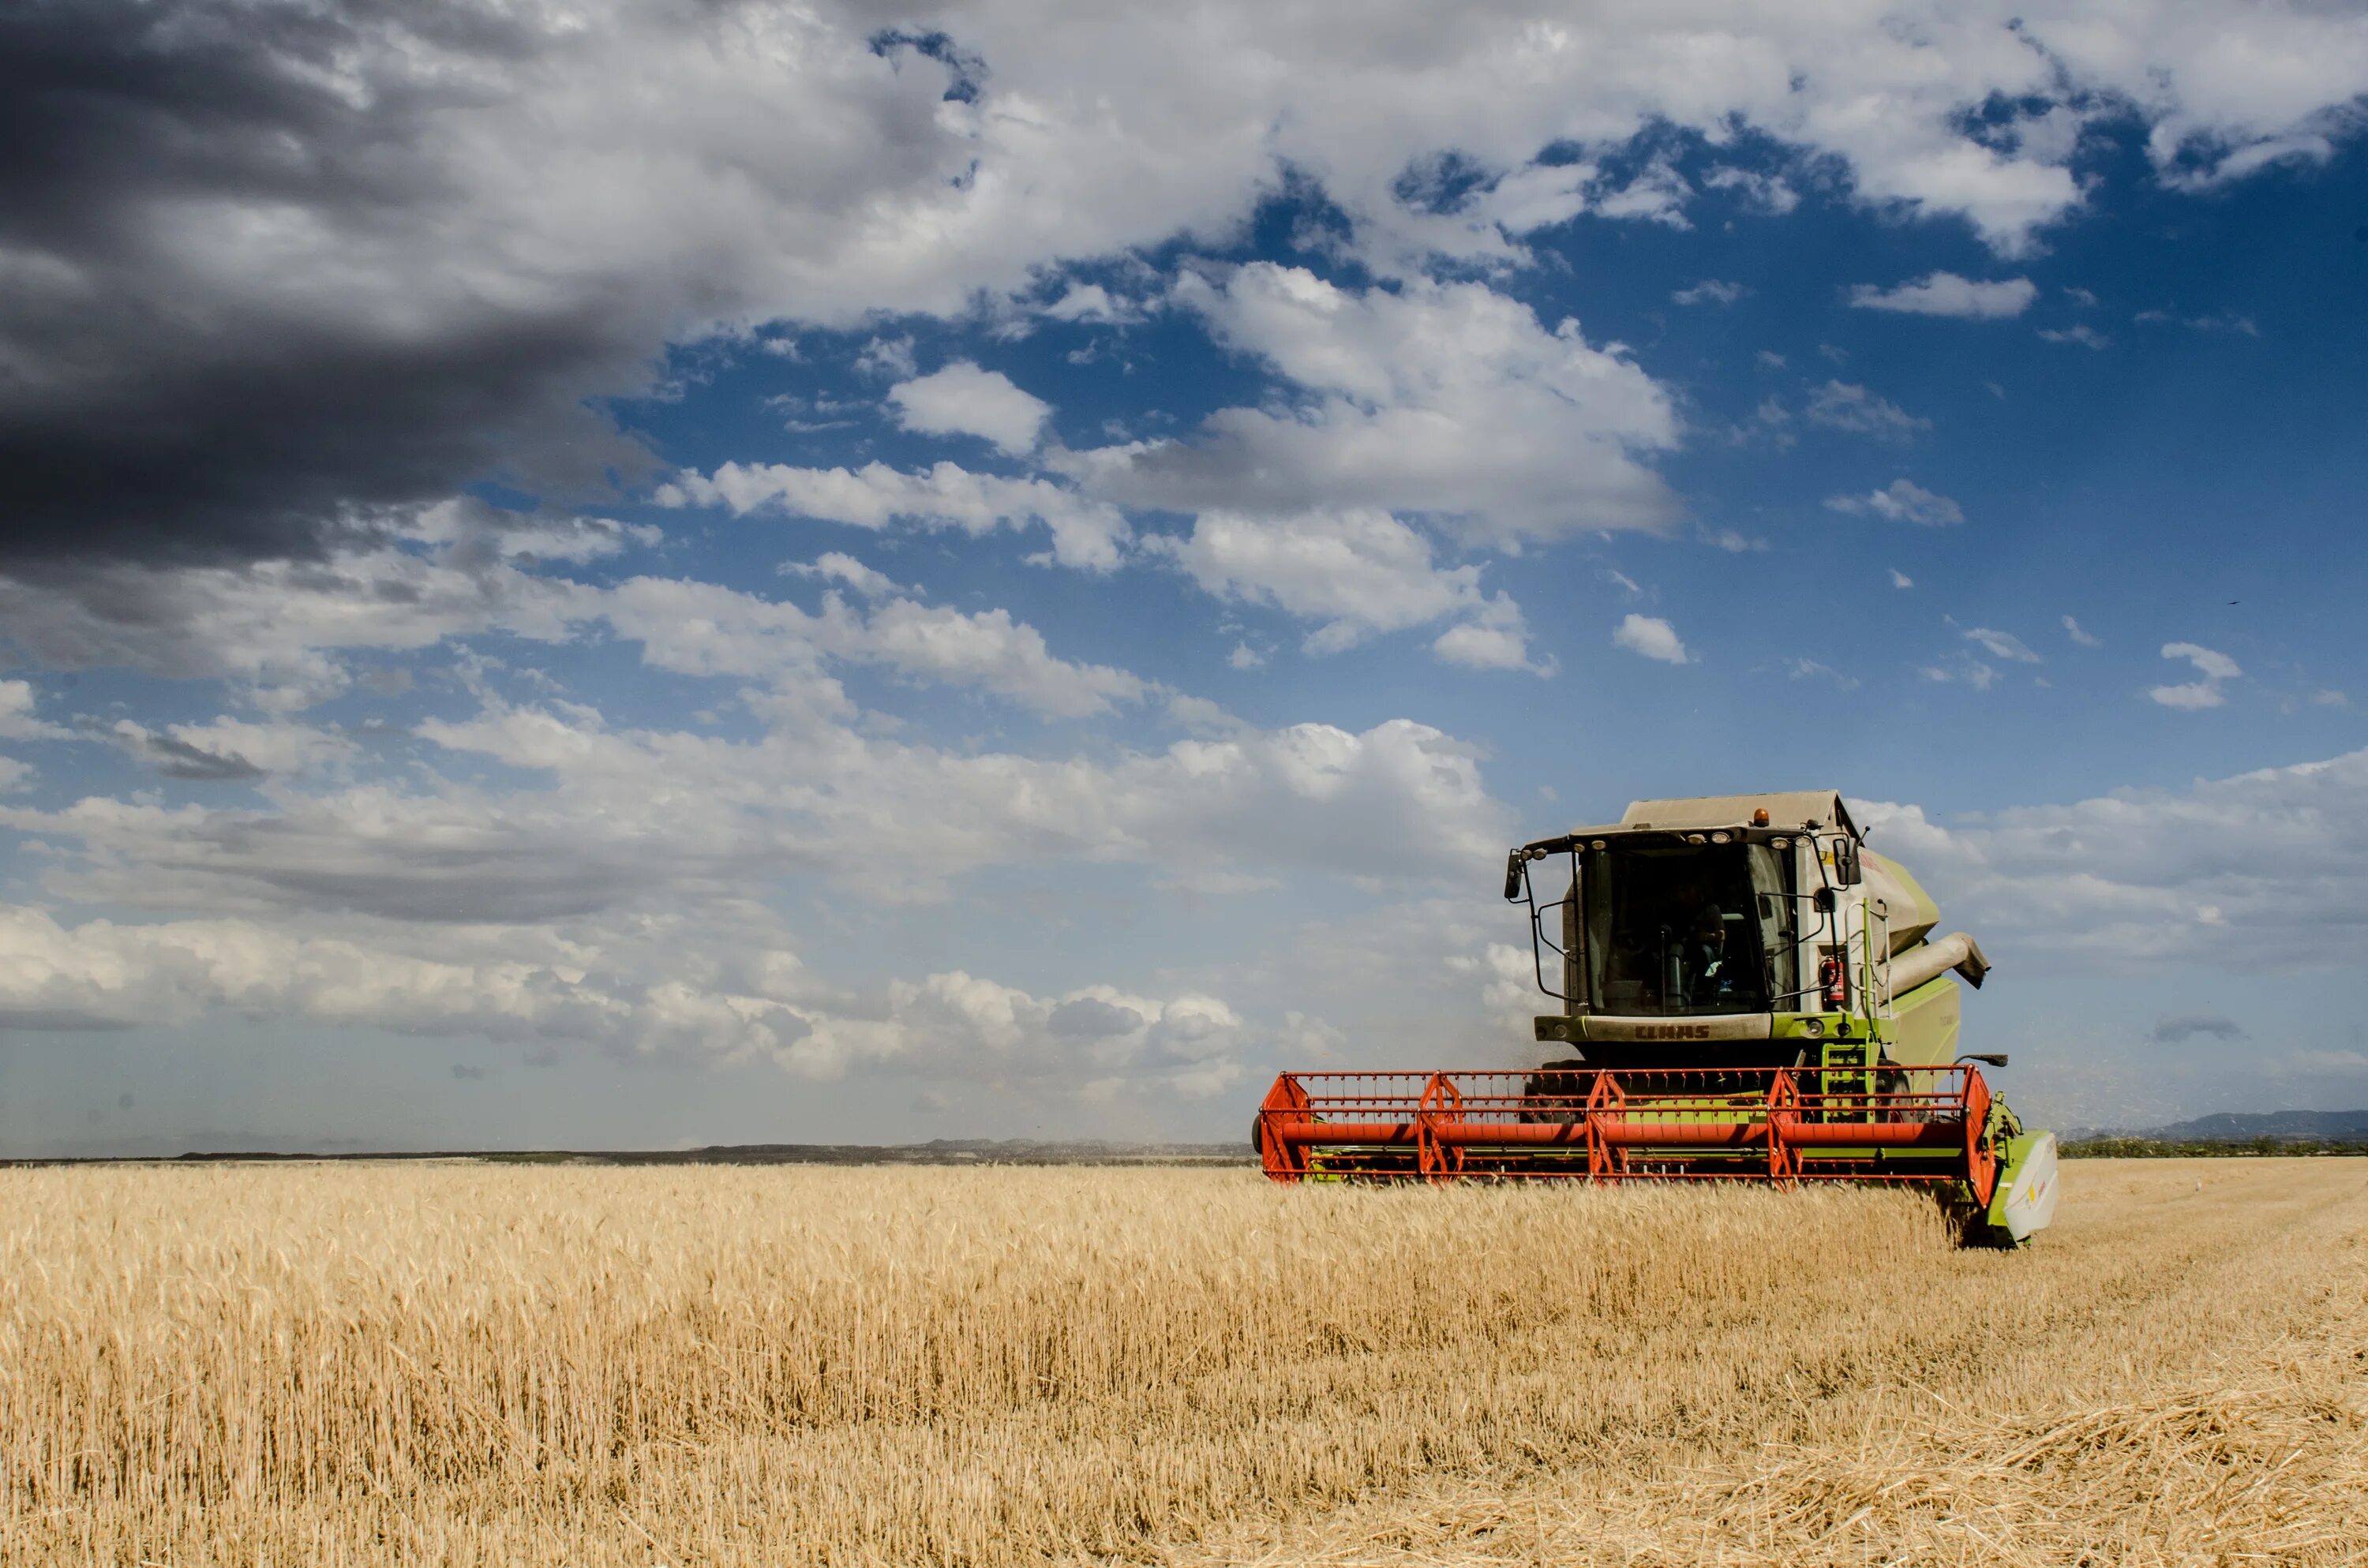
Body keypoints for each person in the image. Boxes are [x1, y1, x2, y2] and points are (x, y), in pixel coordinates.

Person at [1683, 902, 1733, 1005]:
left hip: (1706, 954)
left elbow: (1722, 935)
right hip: (1684, 952)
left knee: (1704, 951)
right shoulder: (1680, 909)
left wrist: (1706, 936)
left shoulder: (1711, 909)